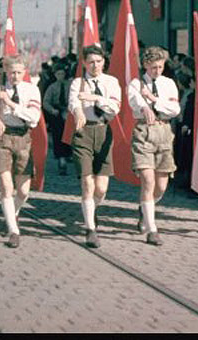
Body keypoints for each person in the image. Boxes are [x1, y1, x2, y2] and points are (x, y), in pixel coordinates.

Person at [0, 54, 42, 248]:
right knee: (6, 186)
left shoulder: (32, 90)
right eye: (11, 73)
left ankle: (13, 212)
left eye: (18, 72)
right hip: (3, 139)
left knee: (24, 191)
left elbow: (33, 117)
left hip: (24, 138)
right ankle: (13, 231)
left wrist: (10, 104)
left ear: (24, 72)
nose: (15, 76)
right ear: (6, 73)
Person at [67, 45, 121, 248]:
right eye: (90, 62)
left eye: (98, 61)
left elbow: (115, 107)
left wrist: (96, 98)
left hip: (104, 131)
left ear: (104, 62)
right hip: (84, 133)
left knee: (101, 188)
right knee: (87, 184)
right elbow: (73, 102)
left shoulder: (111, 82)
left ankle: (92, 209)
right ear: (84, 64)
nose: (95, 65)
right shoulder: (78, 83)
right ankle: (90, 229)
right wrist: (78, 111)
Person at [127, 46, 181, 246]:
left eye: (160, 67)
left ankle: (144, 207)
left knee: (160, 186)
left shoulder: (169, 84)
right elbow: (135, 102)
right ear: (145, 66)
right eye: (152, 68)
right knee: (148, 181)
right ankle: (152, 229)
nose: (157, 71)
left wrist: (153, 100)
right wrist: (143, 105)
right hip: (144, 133)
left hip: (164, 132)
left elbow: (174, 109)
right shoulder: (136, 84)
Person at [42, 62, 72, 175]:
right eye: (58, 74)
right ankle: (61, 159)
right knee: (58, 137)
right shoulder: (52, 87)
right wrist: (52, 110)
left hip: (69, 113)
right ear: (55, 75)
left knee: (69, 137)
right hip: (57, 114)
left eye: (62, 73)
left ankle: (68, 155)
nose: (61, 76)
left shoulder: (70, 85)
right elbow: (46, 102)